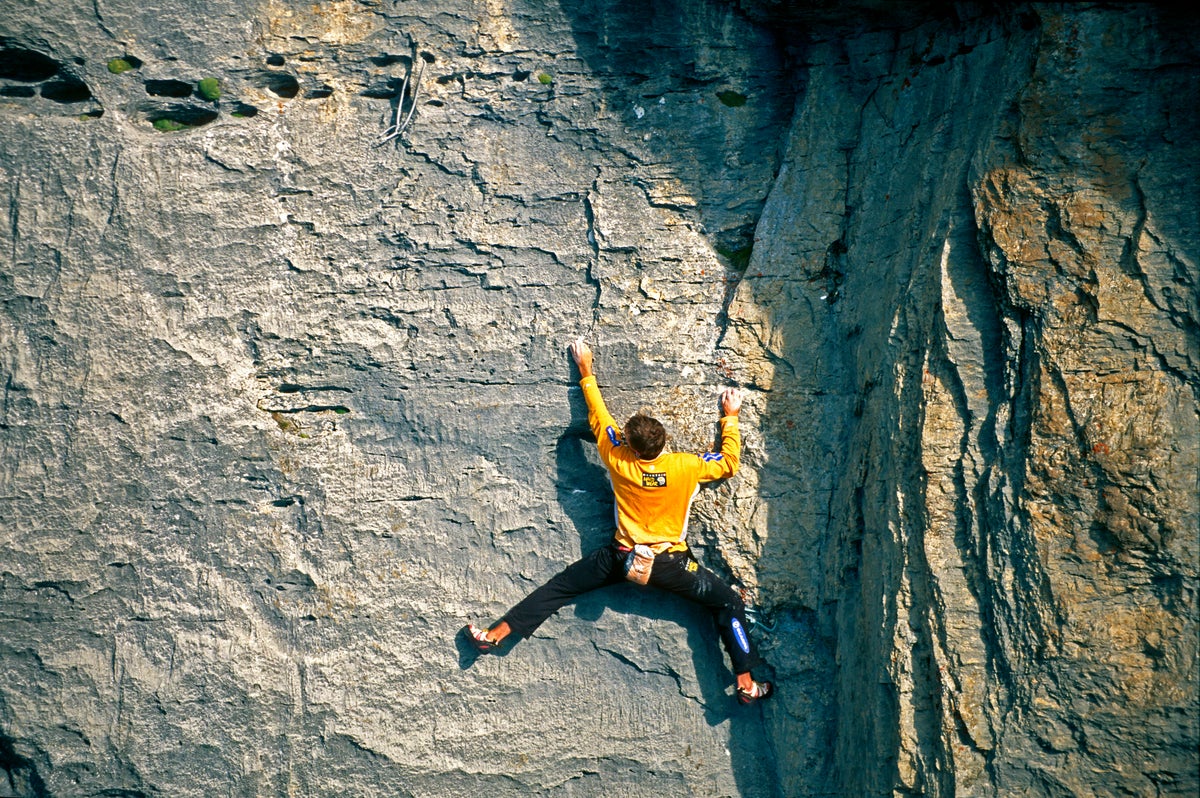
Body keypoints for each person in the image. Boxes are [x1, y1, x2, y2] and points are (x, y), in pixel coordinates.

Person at [461, 337, 774, 705]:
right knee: (727, 604)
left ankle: (494, 635)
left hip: (620, 558)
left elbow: (599, 416)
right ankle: (746, 682)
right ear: (662, 443)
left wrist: (585, 369)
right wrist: (731, 418)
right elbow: (728, 463)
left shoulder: (618, 458)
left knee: (561, 587)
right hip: (670, 565)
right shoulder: (686, 467)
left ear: (631, 446)